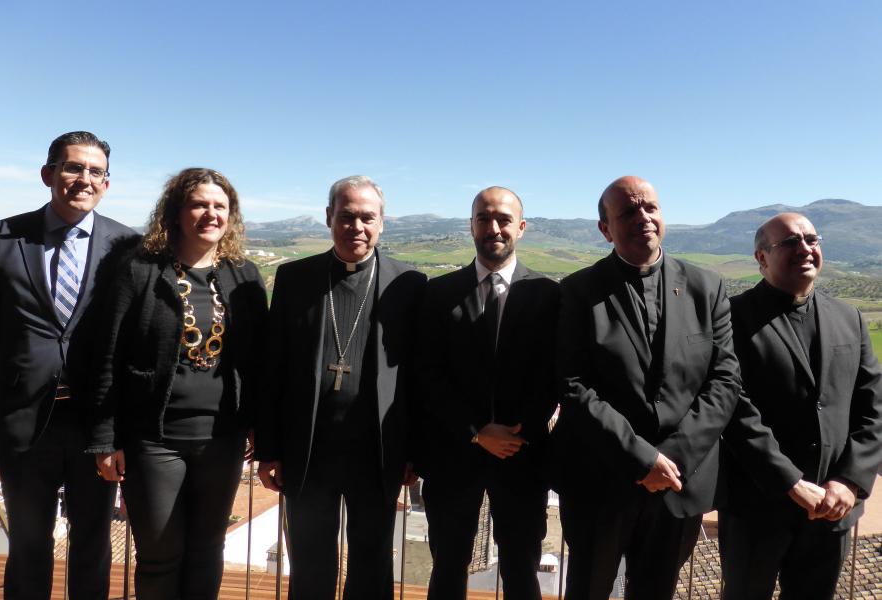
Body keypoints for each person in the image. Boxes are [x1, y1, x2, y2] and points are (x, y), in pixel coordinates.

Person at [551, 175, 741, 600]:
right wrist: (641, 458)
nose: (643, 218)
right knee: (587, 589)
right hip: (600, 479)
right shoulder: (579, 291)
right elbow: (574, 385)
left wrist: (671, 458)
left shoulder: (706, 287)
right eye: (628, 212)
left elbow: (725, 379)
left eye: (650, 208)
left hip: (678, 482)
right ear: (605, 229)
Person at [87, 168, 267, 598]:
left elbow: (260, 360)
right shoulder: (140, 272)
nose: (210, 213)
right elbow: (107, 354)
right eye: (199, 204)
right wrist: (105, 438)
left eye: (219, 206)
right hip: (154, 440)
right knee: (160, 553)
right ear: (177, 211)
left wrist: (262, 425)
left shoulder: (245, 276)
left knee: (207, 551)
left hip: (222, 439)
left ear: (231, 215)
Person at [256, 175, 426, 599]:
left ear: (382, 223)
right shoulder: (295, 278)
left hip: (377, 452)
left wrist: (414, 454)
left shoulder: (410, 285)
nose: (357, 226)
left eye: (368, 217)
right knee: (310, 564)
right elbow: (271, 369)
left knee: (371, 565)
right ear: (328, 217)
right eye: (346, 216)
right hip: (308, 449)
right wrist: (269, 449)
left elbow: (419, 379)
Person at [0, 131, 136, 599]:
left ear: (106, 184)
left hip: (97, 424)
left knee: (92, 543)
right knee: (28, 543)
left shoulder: (129, 246)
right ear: (49, 173)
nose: (83, 179)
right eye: (73, 167)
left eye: (95, 172)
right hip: (24, 419)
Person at [718, 212, 882, 600]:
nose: (805, 248)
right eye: (790, 242)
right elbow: (733, 409)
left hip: (832, 508)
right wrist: (789, 482)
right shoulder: (731, 318)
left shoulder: (849, 317)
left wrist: (850, 480)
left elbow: (872, 402)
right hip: (757, 508)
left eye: (812, 239)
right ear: (761, 258)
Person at [417, 186, 558, 599]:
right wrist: (476, 431)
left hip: (523, 456)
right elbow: (428, 374)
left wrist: (516, 433)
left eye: (503, 219)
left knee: (522, 570)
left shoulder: (548, 295)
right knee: (447, 568)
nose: (493, 227)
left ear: (522, 227)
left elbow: (553, 375)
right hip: (452, 455)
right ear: (471, 226)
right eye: (484, 218)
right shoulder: (438, 294)